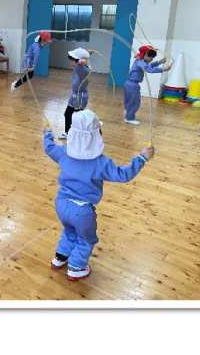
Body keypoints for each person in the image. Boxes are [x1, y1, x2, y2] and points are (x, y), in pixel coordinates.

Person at [43, 109, 154, 280]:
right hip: (83, 212)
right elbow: (123, 175)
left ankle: (60, 257)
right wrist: (142, 158)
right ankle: (76, 267)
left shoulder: (64, 153)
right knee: (86, 239)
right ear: (97, 136)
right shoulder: (101, 163)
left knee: (69, 231)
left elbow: (49, 148)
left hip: (61, 204)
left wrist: (47, 133)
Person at [124, 46, 171, 126]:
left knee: (130, 101)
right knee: (135, 102)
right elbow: (149, 69)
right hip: (132, 85)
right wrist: (163, 69)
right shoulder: (140, 62)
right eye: (150, 56)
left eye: (152, 57)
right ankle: (129, 118)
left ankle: (128, 115)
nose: (151, 59)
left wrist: (159, 62)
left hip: (130, 84)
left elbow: (150, 65)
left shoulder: (141, 61)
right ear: (144, 55)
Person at [62, 47, 91, 138]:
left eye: (72, 61)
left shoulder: (81, 69)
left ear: (78, 61)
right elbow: (84, 62)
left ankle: (78, 135)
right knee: (68, 114)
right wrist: (87, 54)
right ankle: (68, 133)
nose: (71, 63)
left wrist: (84, 59)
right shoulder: (80, 67)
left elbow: (85, 68)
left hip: (80, 97)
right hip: (75, 96)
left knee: (77, 118)